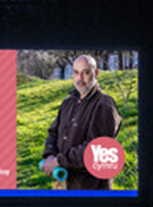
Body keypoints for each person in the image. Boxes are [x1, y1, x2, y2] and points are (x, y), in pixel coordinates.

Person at [40, 54, 122, 190]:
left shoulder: (105, 105)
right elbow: (53, 133)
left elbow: (95, 150)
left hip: (90, 189)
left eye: (86, 72)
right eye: (76, 72)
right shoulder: (68, 103)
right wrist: (49, 156)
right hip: (64, 183)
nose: (80, 78)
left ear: (96, 73)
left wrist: (59, 161)